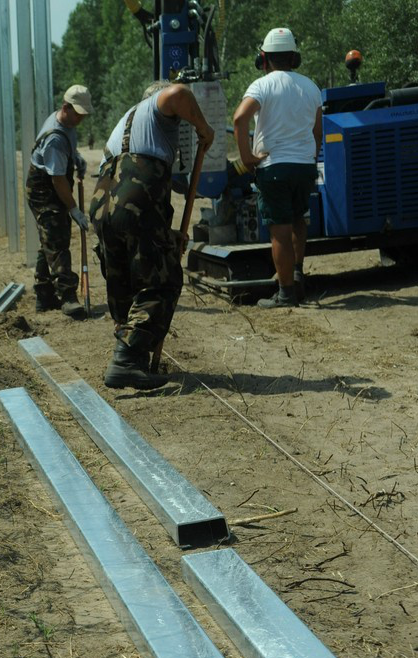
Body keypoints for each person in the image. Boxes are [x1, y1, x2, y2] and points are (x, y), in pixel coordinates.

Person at [90, 81, 214, 390]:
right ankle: (127, 360)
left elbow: (130, 217)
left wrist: (167, 236)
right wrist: (204, 127)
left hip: (105, 205)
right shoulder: (157, 110)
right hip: (134, 197)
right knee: (162, 281)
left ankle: (132, 358)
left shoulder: (127, 124)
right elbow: (180, 93)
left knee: (126, 282)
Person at [232, 27, 323, 308]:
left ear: (264, 58)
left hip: (274, 168)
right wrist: (310, 156)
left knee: (280, 231)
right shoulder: (311, 86)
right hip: (304, 167)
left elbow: (239, 119)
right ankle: (297, 275)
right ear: (294, 57)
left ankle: (285, 295)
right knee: (298, 220)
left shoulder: (262, 86)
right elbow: (317, 130)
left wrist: (246, 158)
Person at [26, 84, 92, 318]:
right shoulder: (54, 137)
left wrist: (76, 158)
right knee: (57, 239)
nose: (80, 120)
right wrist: (74, 209)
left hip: (54, 185)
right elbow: (58, 181)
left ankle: (44, 296)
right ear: (65, 107)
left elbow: (68, 150)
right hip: (45, 191)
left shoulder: (66, 123)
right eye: (78, 114)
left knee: (49, 240)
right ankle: (68, 297)